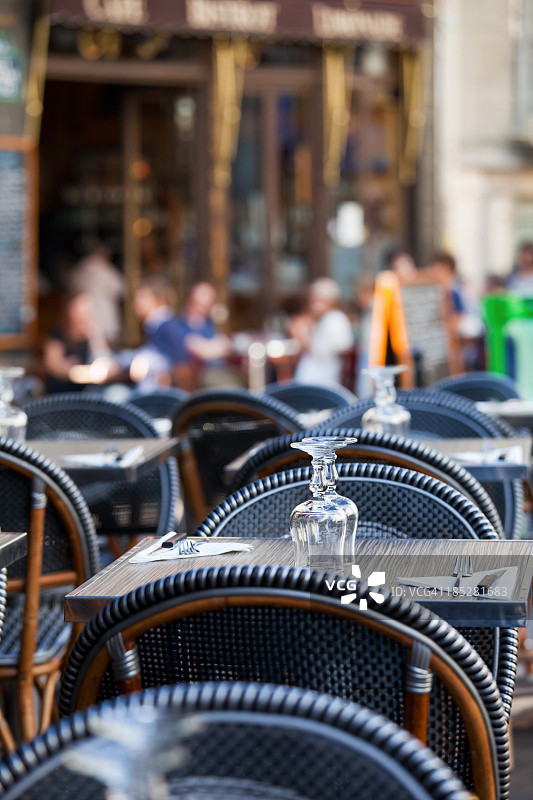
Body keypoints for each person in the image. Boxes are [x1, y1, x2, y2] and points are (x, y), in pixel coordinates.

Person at [291, 278, 353, 386]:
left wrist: (303, 334)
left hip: (323, 377)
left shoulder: (334, 319)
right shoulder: (325, 319)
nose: (312, 305)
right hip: (317, 376)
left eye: (316, 300)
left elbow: (321, 350)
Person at [43, 291, 107, 393]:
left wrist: (95, 336)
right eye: (82, 305)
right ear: (71, 309)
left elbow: (103, 359)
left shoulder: (92, 334)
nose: (87, 311)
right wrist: (69, 369)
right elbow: (52, 366)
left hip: (86, 390)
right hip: (62, 392)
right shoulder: (58, 333)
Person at [70, 243, 125, 347]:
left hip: (84, 312)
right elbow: (120, 287)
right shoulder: (103, 268)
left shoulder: (81, 268)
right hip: (102, 312)